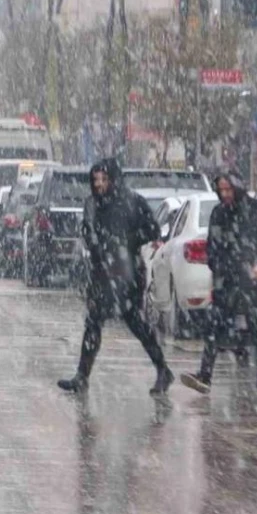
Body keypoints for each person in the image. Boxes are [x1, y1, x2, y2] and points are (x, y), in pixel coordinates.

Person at [58, 158, 174, 395]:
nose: (99, 184)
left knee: (135, 322)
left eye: (104, 179)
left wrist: (126, 242)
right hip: (101, 272)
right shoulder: (92, 204)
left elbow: (152, 229)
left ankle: (163, 369)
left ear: (113, 179)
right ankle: (82, 375)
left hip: (127, 272)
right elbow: (88, 231)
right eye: (95, 180)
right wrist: (93, 241)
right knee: (93, 323)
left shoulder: (131, 201)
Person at [180, 172, 257, 394]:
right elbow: (213, 244)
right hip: (225, 281)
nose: (224, 194)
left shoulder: (254, 210)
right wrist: (216, 265)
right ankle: (205, 375)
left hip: (250, 281)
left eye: (228, 190)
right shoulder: (219, 213)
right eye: (221, 190)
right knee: (214, 324)